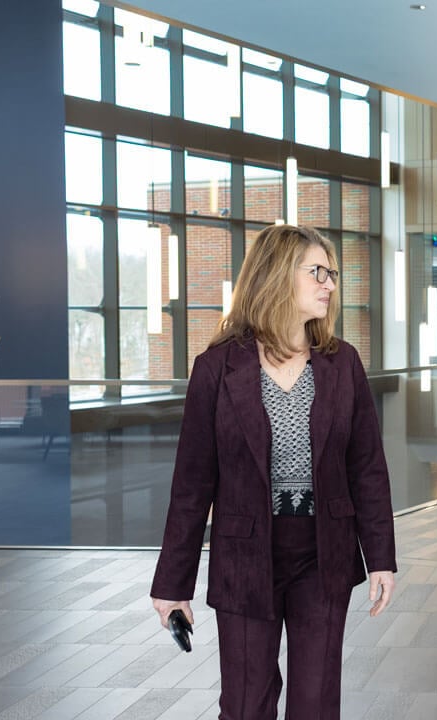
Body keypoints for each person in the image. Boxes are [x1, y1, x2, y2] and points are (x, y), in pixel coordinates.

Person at [150, 224, 397, 720]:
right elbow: (192, 482)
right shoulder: (217, 368)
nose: (330, 284)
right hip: (244, 553)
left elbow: (367, 468)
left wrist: (382, 558)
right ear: (277, 276)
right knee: (246, 703)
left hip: (322, 552)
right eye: (318, 272)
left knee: (316, 702)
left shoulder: (342, 364)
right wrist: (173, 584)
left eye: (332, 273)